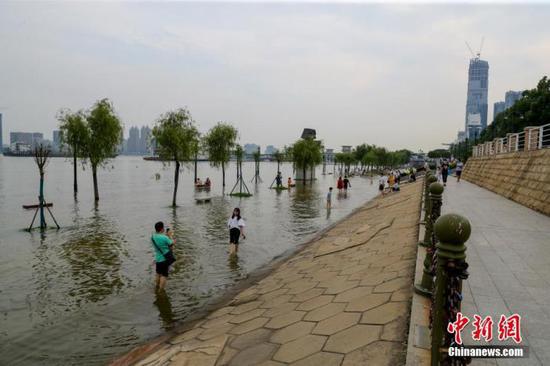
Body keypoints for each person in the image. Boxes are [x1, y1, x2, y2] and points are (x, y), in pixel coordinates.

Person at [151, 221, 176, 291]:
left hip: (158, 259)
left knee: (158, 273)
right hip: (165, 259)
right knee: (164, 275)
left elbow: (161, 243)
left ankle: (156, 286)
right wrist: (170, 235)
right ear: (162, 229)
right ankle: (161, 290)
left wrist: (166, 236)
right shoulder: (164, 237)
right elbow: (172, 244)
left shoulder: (152, 237)